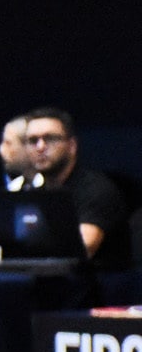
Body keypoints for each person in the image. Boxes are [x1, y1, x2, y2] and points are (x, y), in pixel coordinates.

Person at [22, 107, 134, 271]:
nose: (40, 147)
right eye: (32, 141)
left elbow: (83, 247)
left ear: (72, 146)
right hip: (55, 284)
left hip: (101, 289)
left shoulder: (96, 189)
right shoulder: (36, 191)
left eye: (50, 138)